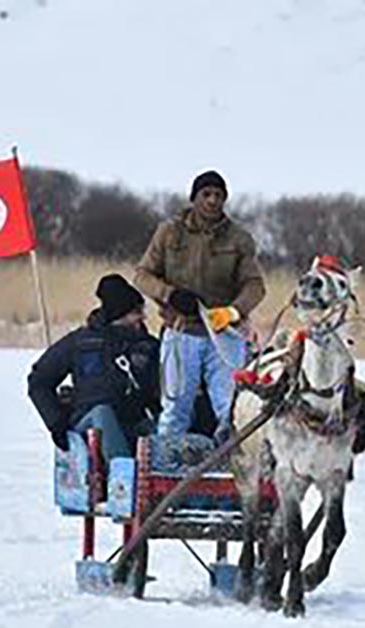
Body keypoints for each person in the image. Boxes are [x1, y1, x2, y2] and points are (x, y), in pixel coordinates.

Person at [134, 170, 266, 444]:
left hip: (224, 336)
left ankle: (233, 470)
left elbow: (255, 285)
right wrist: (169, 295)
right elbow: (142, 276)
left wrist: (234, 311)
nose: (212, 201)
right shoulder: (169, 232)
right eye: (206, 194)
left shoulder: (239, 238)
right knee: (175, 410)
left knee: (231, 410)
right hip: (180, 333)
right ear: (194, 198)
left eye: (219, 195)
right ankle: (167, 467)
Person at [27, 274, 161, 462]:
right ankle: (122, 475)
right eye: (136, 312)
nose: (143, 317)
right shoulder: (81, 343)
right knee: (103, 414)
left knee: (165, 428)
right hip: (89, 424)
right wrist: (56, 423)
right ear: (119, 314)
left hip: (133, 422)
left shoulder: (148, 346)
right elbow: (39, 381)